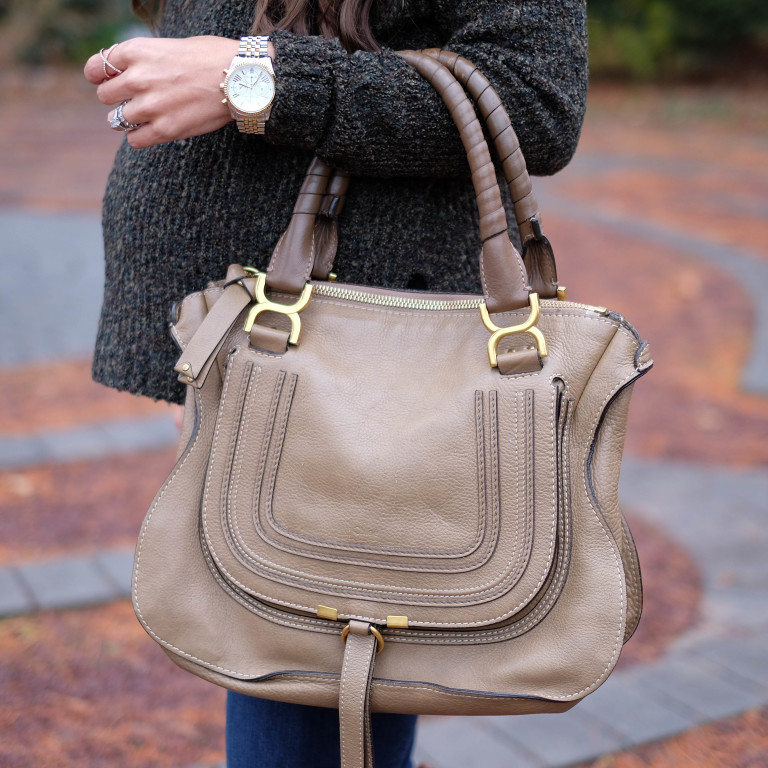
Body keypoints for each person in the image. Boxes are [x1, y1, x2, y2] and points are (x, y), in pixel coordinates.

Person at [84, 1, 587, 765]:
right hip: (237, 329)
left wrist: (251, 77)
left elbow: (535, 96)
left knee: (312, 672)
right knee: (276, 641)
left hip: (348, 357)